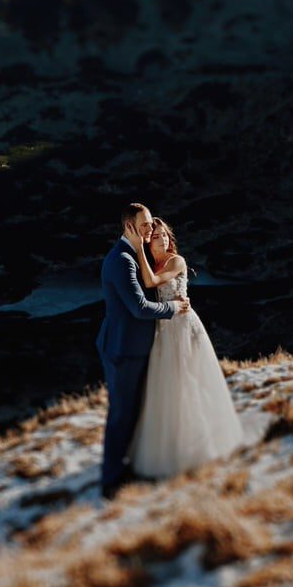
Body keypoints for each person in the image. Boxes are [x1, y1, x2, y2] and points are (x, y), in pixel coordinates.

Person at [127, 216, 245, 477]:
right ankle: (172, 446)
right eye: (156, 236)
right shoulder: (148, 262)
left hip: (182, 327)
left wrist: (138, 249)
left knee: (189, 380)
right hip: (163, 330)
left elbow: (151, 283)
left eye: (165, 235)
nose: (163, 240)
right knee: (167, 386)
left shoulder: (176, 261)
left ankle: (201, 443)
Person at [96, 202, 189, 499]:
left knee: (133, 410)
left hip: (135, 345)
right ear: (129, 227)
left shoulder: (135, 254)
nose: (150, 230)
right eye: (145, 225)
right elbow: (138, 308)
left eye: (151, 224)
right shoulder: (123, 260)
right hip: (124, 347)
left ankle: (128, 465)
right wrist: (173, 307)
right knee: (122, 413)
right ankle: (112, 480)